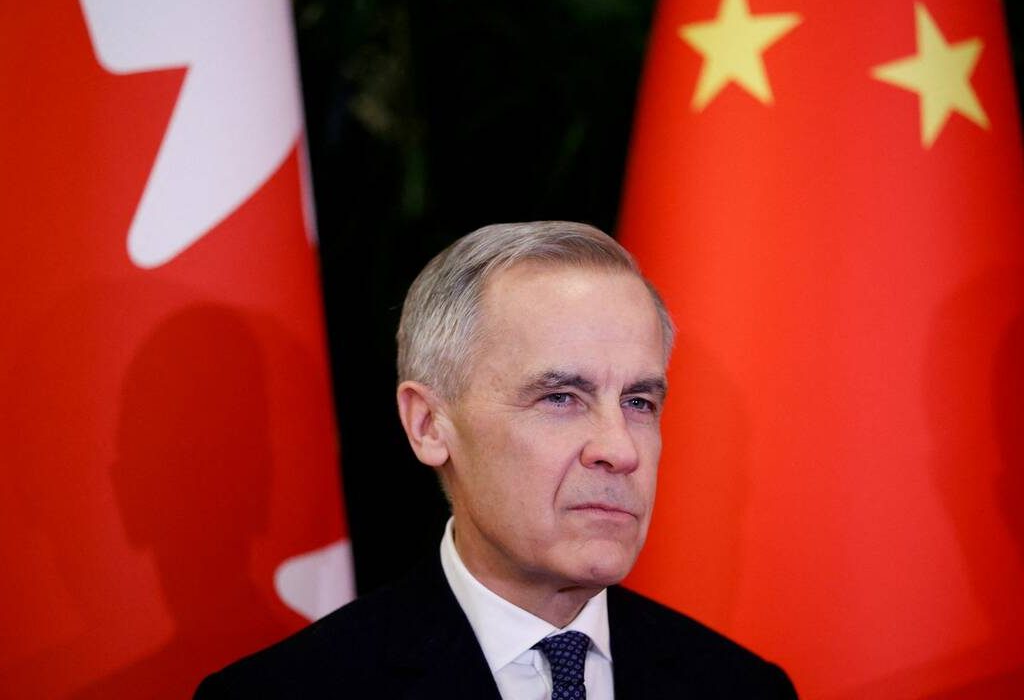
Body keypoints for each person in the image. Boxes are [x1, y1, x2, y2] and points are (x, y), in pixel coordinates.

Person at [194, 221, 798, 698]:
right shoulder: (289, 692)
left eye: (639, 401)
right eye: (561, 398)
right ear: (430, 426)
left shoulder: (743, 687)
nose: (620, 449)